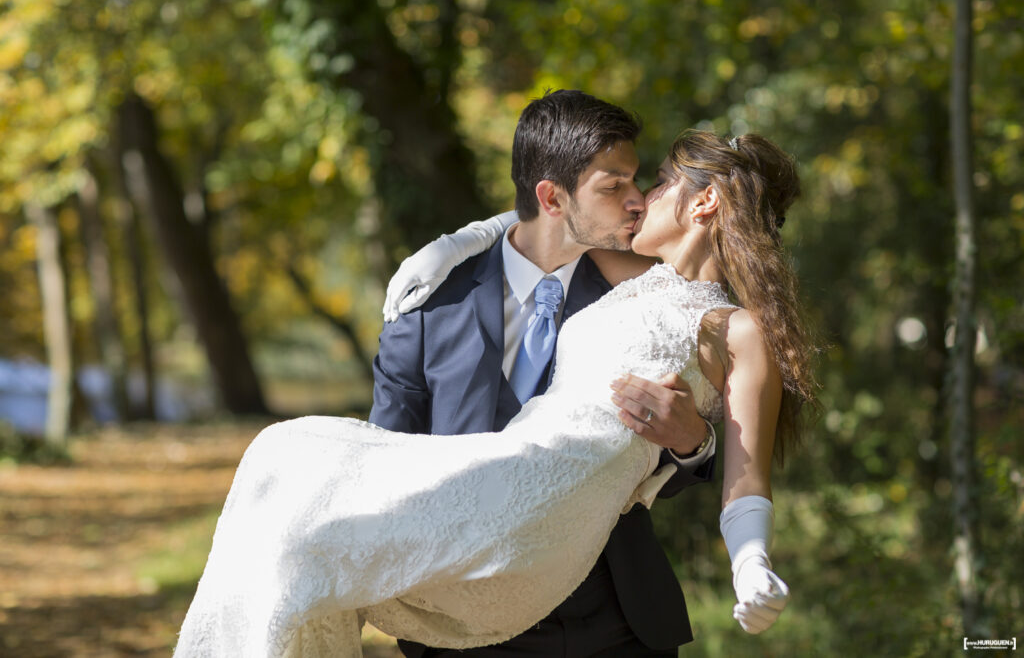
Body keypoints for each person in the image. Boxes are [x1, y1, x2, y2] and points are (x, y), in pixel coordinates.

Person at [173, 125, 813, 658]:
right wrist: (457, 243)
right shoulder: (628, 274)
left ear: (704, 202)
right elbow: (551, 217)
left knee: (293, 486)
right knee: (283, 467)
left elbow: (747, 475)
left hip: (567, 542)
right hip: (509, 471)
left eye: (662, 183)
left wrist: (749, 559)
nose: (642, 198)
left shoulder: (737, 329)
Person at [370, 89, 716, 658]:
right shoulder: (429, 305)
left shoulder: (647, 298)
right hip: (464, 627)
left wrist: (692, 444)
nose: (637, 201)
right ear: (551, 196)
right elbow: (383, 461)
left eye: (635, 180)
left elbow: (654, 470)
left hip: (618, 622)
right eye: (614, 186)